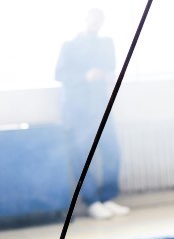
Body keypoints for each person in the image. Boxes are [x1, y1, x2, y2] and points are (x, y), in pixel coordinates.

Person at [56, 8, 129, 219]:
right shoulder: (70, 45)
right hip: (78, 109)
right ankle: (92, 201)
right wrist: (85, 76)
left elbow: (111, 68)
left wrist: (107, 75)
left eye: (100, 20)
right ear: (85, 19)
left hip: (101, 107)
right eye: (93, 19)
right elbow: (60, 74)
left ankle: (107, 197)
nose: (96, 23)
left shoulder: (106, 43)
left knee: (112, 151)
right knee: (83, 155)